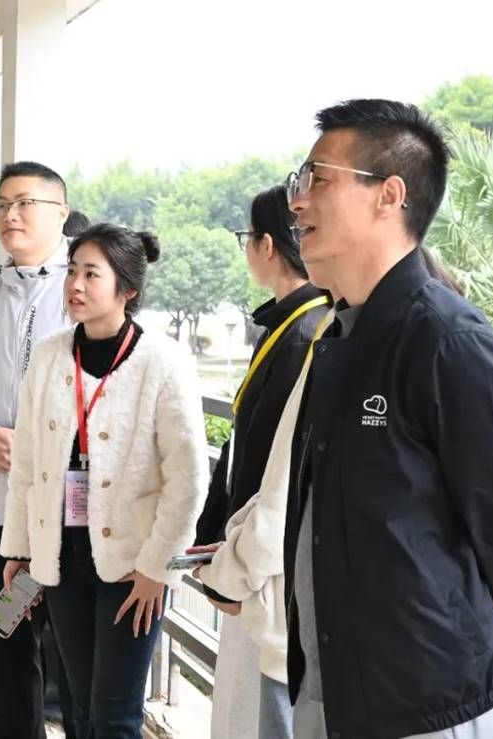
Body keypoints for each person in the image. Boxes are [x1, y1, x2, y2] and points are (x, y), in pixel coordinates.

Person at [279, 99, 493, 738]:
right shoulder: (339, 335)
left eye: (317, 178)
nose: (298, 201)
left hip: (427, 704)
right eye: (301, 180)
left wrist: (440, 605)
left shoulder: (445, 338)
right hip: (332, 692)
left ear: (390, 195)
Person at [1, 223, 208, 739]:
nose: (75, 284)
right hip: (63, 560)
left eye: (91, 274)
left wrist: (158, 567)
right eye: (72, 271)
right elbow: (27, 462)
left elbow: (187, 478)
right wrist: (20, 550)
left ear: (127, 289)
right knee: (79, 708)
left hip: (132, 570)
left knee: (115, 715)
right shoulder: (49, 355)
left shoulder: (162, 361)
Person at [191, 184, 329, 739]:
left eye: (246, 237)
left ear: (267, 244)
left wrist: (234, 566)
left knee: (254, 713)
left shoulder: (305, 333)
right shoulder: (288, 325)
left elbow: (272, 474)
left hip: (264, 572)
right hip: (248, 556)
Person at [0, 161, 74, 739]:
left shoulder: (80, 287)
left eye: (25, 203)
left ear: (60, 212)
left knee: (70, 643)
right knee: (6, 632)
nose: (9, 215)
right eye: (1, 205)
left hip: (63, 510)